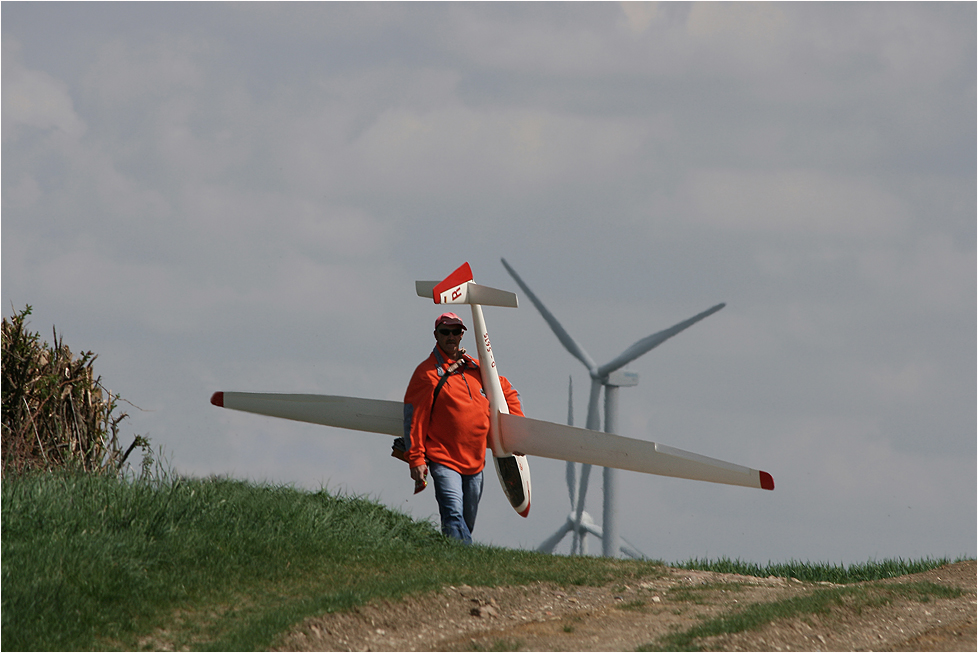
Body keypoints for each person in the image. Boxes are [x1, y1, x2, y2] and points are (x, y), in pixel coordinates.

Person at [402, 311, 524, 543]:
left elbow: (507, 392)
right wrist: (416, 459)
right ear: (436, 335)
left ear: (462, 335)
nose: (451, 336)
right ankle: (460, 559)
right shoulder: (427, 374)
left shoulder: (476, 369)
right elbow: (414, 419)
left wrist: (515, 432)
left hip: (475, 463)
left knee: (466, 521)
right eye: (445, 332)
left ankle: (454, 555)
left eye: (456, 332)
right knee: (453, 515)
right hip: (443, 459)